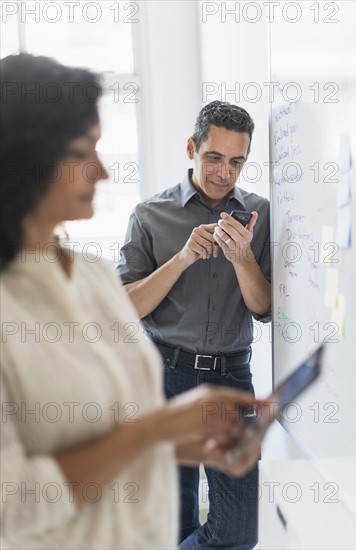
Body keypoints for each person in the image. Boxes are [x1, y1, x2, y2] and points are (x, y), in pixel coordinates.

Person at [0, 55, 265, 550]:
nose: (102, 171)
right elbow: (14, 503)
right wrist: (160, 427)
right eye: (84, 152)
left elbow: (112, 429)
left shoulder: (93, 276)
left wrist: (191, 438)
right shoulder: (11, 303)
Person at [117, 101, 271, 549]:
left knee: (239, 530)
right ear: (192, 148)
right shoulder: (149, 215)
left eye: (237, 161)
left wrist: (242, 257)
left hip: (231, 377)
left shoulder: (260, 216)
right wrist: (182, 258)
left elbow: (263, 308)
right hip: (164, 373)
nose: (225, 172)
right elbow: (125, 308)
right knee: (173, 519)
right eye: (214, 157)